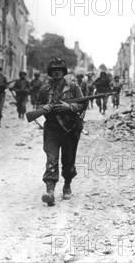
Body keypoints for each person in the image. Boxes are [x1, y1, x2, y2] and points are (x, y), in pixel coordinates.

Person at [35, 58, 87, 206]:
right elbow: (38, 104)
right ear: (50, 72)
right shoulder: (45, 89)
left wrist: (69, 107)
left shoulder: (73, 87)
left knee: (68, 160)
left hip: (70, 129)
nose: (57, 72)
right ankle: (50, 191)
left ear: (64, 72)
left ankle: (67, 185)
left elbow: (83, 104)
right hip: (52, 129)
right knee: (51, 159)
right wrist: (44, 107)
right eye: (54, 70)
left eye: (59, 69)